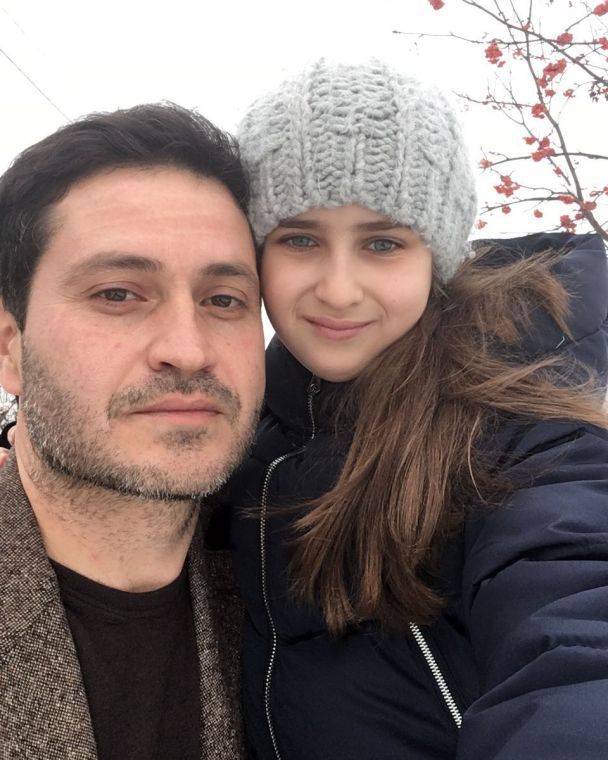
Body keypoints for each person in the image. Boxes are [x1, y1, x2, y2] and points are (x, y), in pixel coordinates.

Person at [229, 60, 608, 759]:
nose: (339, 290)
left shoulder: (517, 420)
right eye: (300, 239)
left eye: (382, 243)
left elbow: (575, 620)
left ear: (437, 256)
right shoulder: (251, 435)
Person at [0, 104, 265, 759]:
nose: (188, 350)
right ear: (9, 346)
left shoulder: (309, 600)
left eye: (224, 300)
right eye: (118, 293)